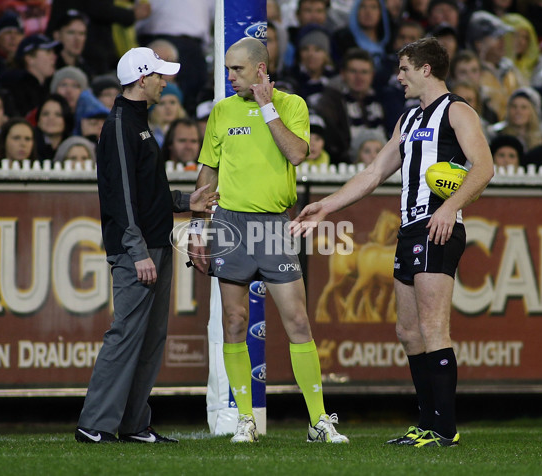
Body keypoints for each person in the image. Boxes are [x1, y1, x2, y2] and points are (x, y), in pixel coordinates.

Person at [291, 37, 494, 447]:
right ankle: (426, 422)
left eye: (404, 69)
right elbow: (372, 174)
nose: (398, 77)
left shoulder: (457, 111)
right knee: (407, 331)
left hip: (438, 227)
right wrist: (326, 206)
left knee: (434, 326)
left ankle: (444, 430)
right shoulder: (409, 120)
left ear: (426, 70)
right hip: (410, 229)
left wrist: (448, 207)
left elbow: (485, 167)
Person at [189, 37, 349, 444]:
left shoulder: (292, 105)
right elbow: (208, 171)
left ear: (261, 69)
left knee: (297, 321)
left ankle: (318, 421)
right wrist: (196, 226)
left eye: (237, 70)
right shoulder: (221, 112)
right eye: (227, 68)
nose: (229, 77)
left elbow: (297, 154)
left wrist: (266, 107)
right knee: (234, 320)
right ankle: (246, 419)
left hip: (275, 226)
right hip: (230, 224)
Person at [75, 47, 218, 444]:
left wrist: (184, 202)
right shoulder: (121, 124)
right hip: (138, 250)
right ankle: (95, 424)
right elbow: (120, 197)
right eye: (159, 76)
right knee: (126, 333)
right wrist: (137, 252)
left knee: (150, 336)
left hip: (154, 244)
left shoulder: (135, 122)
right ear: (142, 78)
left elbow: (146, 191)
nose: (164, 82)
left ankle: (134, 424)